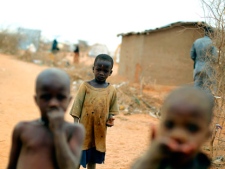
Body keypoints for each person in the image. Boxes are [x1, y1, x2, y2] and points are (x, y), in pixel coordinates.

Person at [7, 68, 85, 169]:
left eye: (60, 97)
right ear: (36, 100)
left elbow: (69, 167)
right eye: (46, 97)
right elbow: (11, 166)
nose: (53, 103)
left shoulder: (74, 131)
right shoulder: (22, 129)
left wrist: (59, 132)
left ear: (69, 100)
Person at [131, 86, 214, 169]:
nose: (178, 135)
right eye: (169, 125)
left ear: (206, 136)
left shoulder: (202, 164)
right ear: (155, 130)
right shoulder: (150, 161)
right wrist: (151, 156)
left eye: (192, 128)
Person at [70, 54, 119, 169]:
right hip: (83, 129)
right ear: (93, 69)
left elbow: (112, 109)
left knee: (92, 157)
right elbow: (76, 107)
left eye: (105, 71)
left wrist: (110, 119)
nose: (101, 73)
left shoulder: (111, 90)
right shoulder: (85, 86)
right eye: (98, 69)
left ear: (110, 73)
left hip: (99, 130)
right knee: (78, 155)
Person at [190, 26, 217, 93]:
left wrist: (198, 61)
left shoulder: (197, 41)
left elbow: (192, 55)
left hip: (197, 67)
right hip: (208, 68)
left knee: (197, 86)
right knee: (207, 87)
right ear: (211, 34)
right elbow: (215, 57)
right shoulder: (212, 43)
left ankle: (196, 102)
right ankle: (206, 103)